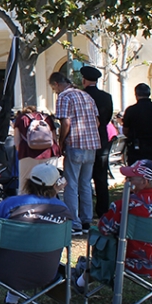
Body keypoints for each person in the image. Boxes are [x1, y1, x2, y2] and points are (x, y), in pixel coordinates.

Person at [0, 163, 74, 304]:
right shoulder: (63, 210)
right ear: (55, 185)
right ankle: (12, 300)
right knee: (29, 248)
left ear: (28, 182)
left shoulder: (11, 204)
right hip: (46, 274)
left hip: (4, 271)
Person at [74, 160, 152, 291]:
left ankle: (81, 282)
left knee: (102, 240)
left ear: (144, 182)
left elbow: (105, 228)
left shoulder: (126, 205)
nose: (126, 181)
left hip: (133, 263)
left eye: (130, 178)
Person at [48, 71, 100, 236]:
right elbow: (97, 122)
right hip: (91, 145)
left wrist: (61, 141)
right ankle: (87, 220)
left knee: (70, 184)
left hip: (75, 144)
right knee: (85, 184)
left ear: (56, 84)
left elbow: (66, 122)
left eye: (53, 88)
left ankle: (74, 222)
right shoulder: (86, 96)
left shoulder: (64, 97)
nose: (55, 91)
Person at [80, 65, 115, 218]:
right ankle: (102, 209)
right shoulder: (106, 97)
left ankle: (84, 209)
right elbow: (107, 118)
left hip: (84, 138)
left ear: (84, 80)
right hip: (101, 139)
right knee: (101, 177)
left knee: (83, 178)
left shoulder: (81, 96)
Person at [12, 105, 60, 189]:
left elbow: (17, 142)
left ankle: (25, 201)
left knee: (24, 184)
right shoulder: (47, 118)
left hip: (27, 154)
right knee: (49, 184)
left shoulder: (21, 119)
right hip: (49, 154)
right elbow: (54, 139)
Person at [121, 83, 152, 164]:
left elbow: (125, 129)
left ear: (136, 94)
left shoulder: (131, 110)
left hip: (136, 146)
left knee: (136, 171)